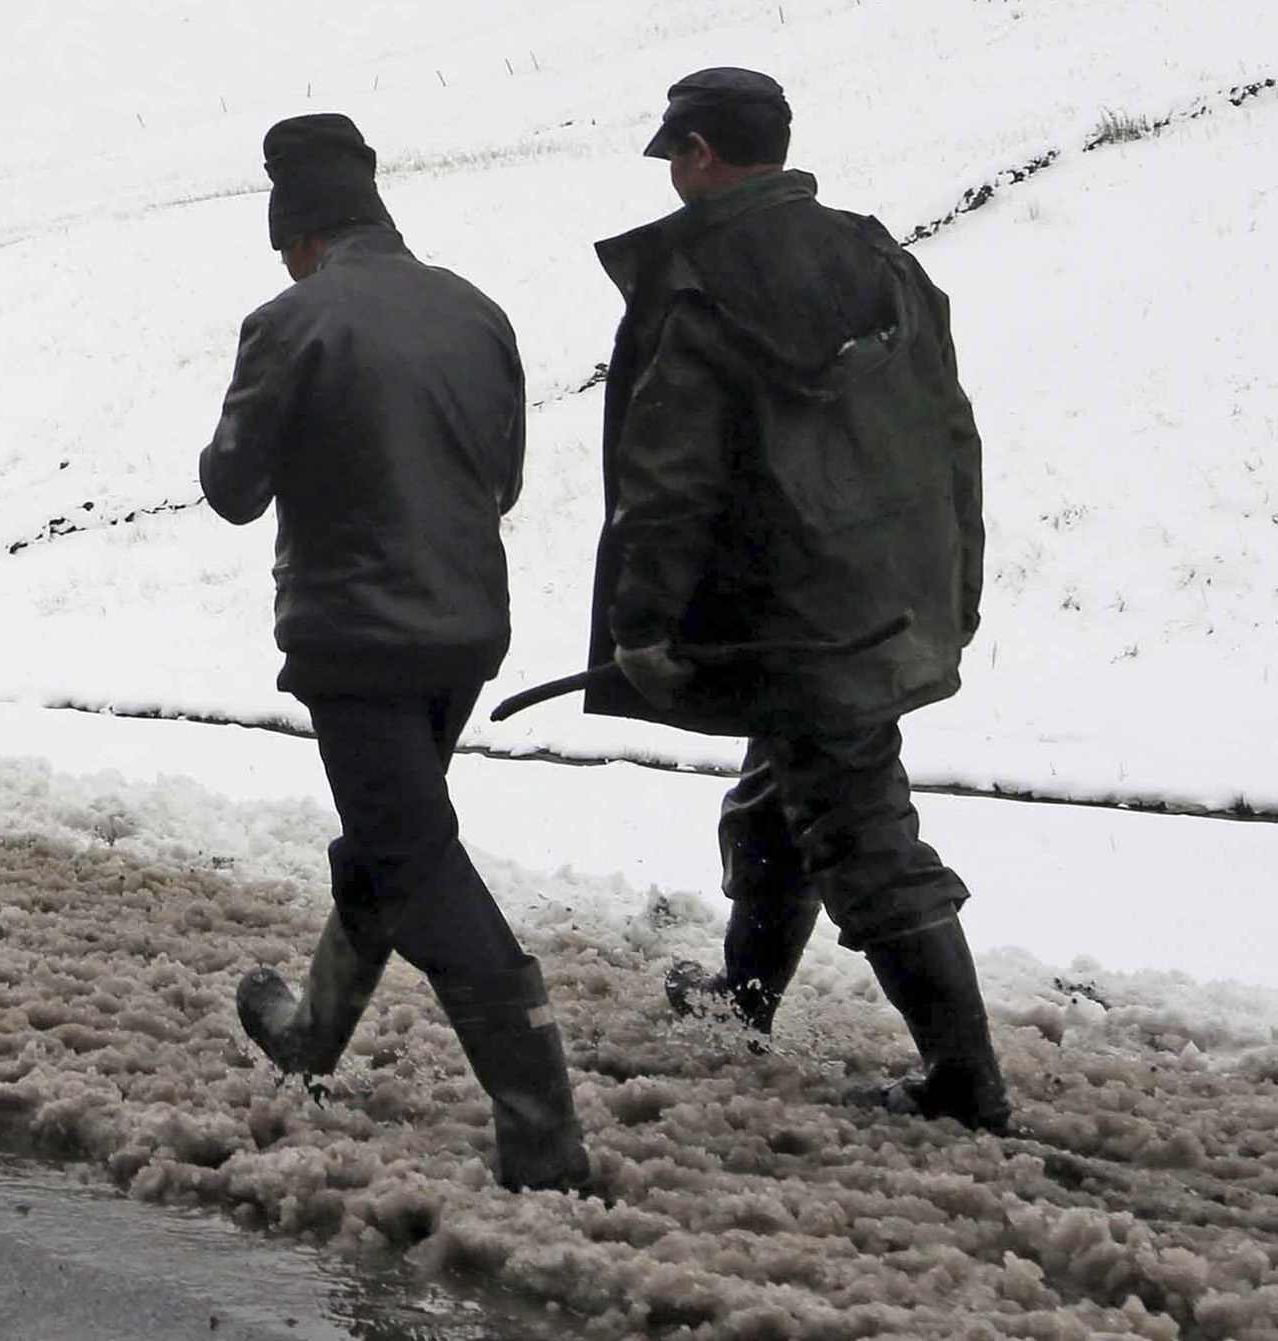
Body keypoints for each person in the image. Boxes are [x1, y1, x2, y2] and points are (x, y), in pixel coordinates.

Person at [593, 69, 1004, 1129]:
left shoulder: (699, 278)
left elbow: (668, 477)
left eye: (673, 156)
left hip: (792, 608)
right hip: (883, 589)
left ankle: (963, 1081)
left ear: (694, 151)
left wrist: (639, 620)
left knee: (860, 825)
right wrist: (954, 577)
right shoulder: (877, 255)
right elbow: (950, 430)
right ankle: (743, 998)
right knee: (778, 790)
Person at [200, 115, 594, 1193]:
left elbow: (232, 489)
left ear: (296, 231)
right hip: (463, 627)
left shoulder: (288, 320)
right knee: (394, 828)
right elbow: (502, 476)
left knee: (415, 855)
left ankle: (542, 1130)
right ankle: (310, 1034)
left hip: (352, 634)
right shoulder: (477, 309)